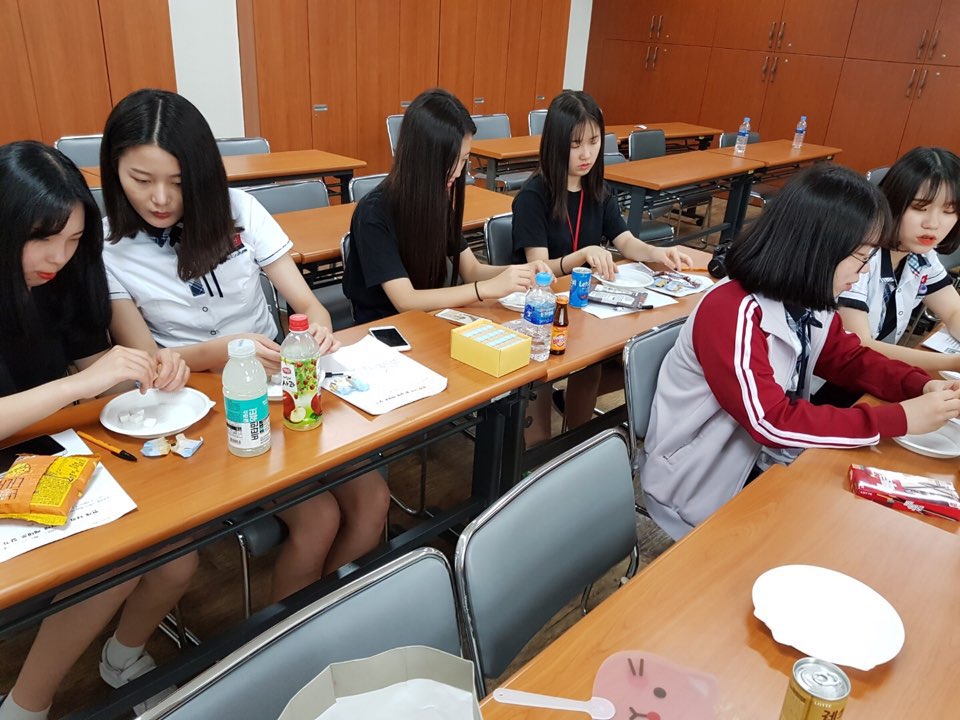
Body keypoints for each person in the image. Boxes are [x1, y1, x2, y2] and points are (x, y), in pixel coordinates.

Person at [99, 89, 389, 604]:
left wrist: (317, 330)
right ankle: (290, 632)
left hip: (278, 380)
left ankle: (329, 611)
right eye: (141, 180)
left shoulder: (240, 211)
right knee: (318, 519)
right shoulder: (109, 248)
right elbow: (149, 365)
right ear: (113, 171)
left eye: (179, 183)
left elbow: (308, 304)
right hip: (198, 403)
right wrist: (224, 350)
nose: (160, 199)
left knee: (373, 502)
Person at [638, 164, 960, 540]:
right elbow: (771, 421)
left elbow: (849, 358)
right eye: (860, 257)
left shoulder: (808, 299)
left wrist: (919, 386)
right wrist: (897, 419)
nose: (863, 272)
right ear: (817, 250)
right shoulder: (732, 310)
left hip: (765, 462)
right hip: (701, 483)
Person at [0, 141, 192, 719]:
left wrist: (147, 370)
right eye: (42, 237)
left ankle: (122, 657)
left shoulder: (65, 276)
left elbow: (91, 362)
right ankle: (26, 705)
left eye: (74, 239)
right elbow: (77, 383)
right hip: (20, 454)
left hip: (50, 448)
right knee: (112, 564)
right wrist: (79, 386)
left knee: (179, 557)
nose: (58, 256)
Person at [511, 90, 693, 441]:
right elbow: (538, 268)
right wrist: (581, 256)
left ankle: (577, 441)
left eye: (594, 142)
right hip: (540, 311)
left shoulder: (598, 190)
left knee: (592, 367)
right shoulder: (534, 196)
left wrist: (657, 253)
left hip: (586, 309)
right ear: (556, 144)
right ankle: (540, 452)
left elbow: (625, 241)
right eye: (575, 144)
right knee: (545, 378)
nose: (586, 154)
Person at [343, 87, 550, 325]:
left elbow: (471, 271)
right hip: (385, 329)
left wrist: (519, 273)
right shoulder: (373, 213)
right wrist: (485, 289)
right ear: (424, 157)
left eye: (465, 160)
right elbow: (406, 301)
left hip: (430, 319)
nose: (459, 172)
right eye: (453, 161)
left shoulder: (436, 200)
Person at [838, 147, 960, 375]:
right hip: (827, 383)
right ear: (893, 201)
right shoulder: (859, 254)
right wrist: (953, 363)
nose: (933, 224)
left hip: (874, 376)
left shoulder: (920, 253)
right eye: (919, 208)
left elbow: (954, 311)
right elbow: (860, 347)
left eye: (949, 210)